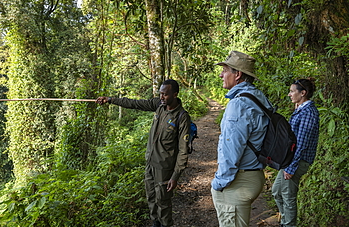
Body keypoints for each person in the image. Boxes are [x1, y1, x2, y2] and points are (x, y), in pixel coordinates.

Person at [96, 79, 190, 227]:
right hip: (150, 163)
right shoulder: (159, 106)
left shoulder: (182, 117)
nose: (161, 97)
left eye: (165, 95)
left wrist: (175, 176)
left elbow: (184, 150)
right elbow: (135, 103)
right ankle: (155, 223)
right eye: (160, 94)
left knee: (163, 202)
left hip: (164, 168)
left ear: (175, 94)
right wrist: (111, 100)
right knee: (151, 197)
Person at [211, 50, 272, 227]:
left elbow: (232, 148)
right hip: (254, 174)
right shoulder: (257, 97)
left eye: (225, 70)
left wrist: (219, 183)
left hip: (239, 181)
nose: (221, 74)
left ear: (237, 75)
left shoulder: (238, 104)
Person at [272, 78, 319, 227]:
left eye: (292, 91)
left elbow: (302, 144)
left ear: (303, 93)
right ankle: (286, 222)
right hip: (290, 160)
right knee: (277, 192)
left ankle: (288, 224)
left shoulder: (308, 113)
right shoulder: (301, 109)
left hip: (297, 161)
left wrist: (291, 167)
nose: (289, 94)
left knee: (288, 196)